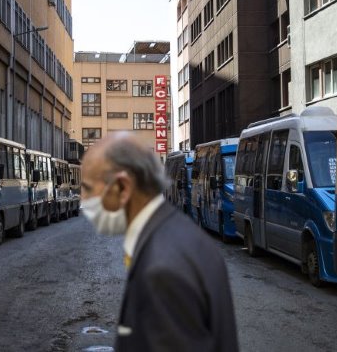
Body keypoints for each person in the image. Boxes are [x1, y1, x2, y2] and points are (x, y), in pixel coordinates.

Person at [80, 132, 238, 352]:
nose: (84, 200)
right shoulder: (179, 235)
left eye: (88, 188)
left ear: (123, 187)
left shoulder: (162, 269)